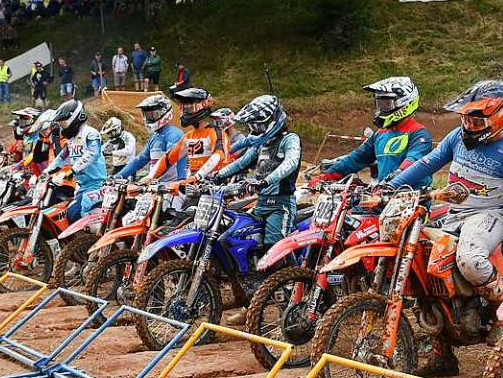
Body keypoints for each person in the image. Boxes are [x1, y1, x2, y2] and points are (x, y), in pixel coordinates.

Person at [389, 80, 503, 305]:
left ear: (499, 118)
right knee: (416, 246)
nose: (469, 126)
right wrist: (391, 186)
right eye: (465, 119)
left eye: (476, 122)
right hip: (452, 212)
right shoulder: (456, 137)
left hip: (489, 216)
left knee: (470, 261)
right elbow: (428, 163)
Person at [210, 95, 301, 251]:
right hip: (261, 203)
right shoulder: (261, 143)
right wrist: (217, 176)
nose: (255, 131)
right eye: (252, 127)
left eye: (258, 127)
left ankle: (289, 273)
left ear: (272, 121)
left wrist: (267, 180)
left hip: (280, 205)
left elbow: (290, 163)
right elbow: (242, 162)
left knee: (273, 245)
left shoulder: (290, 139)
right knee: (239, 236)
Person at [311, 77, 432, 185]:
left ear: (405, 103)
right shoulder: (380, 134)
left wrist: (396, 176)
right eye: (379, 103)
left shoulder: (419, 133)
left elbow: (414, 160)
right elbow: (356, 159)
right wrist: (325, 176)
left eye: (386, 104)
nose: (381, 109)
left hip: (412, 198)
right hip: (382, 196)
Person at [146, 87, 229, 182]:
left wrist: (197, 176)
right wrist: (149, 177)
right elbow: (167, 159)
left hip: (217, 186)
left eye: (189, 107)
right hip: (195, 187)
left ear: (204, 104)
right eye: (183, 107)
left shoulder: (215, 131)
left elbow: (219, 155)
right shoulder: (189, 136)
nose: (185, 111)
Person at [44, 100, 107, 222]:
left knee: (75, 214)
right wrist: (46, 173)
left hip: (97, 185)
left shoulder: (91, 134)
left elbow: (92, 153)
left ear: (76, 117)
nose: (62, 127)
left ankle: (93, 239)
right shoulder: (72, 140)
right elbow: (62, 158)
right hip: (82, 186)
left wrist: (72, 171)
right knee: (66, 214)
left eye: (63, 123)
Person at [115, 94, 187, 182]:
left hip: (171, 187)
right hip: (154, 186)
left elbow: (171, 160)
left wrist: (181, 182)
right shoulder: (155, 136)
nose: (149, 118)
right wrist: (117, 177)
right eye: (147, 115)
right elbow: (140, 160)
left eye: (153, 114)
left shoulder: (174, 134)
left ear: (165, 112)